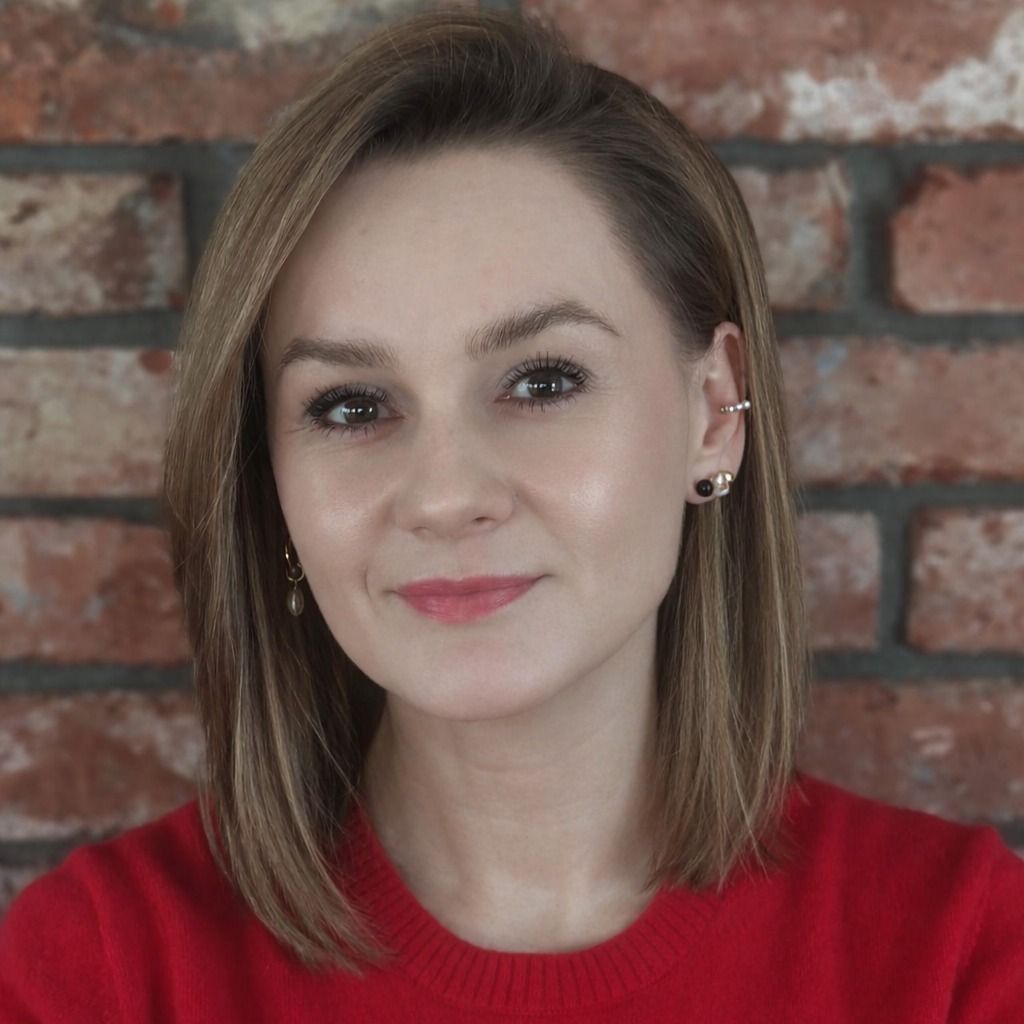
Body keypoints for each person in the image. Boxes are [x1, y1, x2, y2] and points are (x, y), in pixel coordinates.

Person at [1, 7, 1022, 1021]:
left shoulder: (959, 951)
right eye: (351, 406)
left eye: (542, 382)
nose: (447, 496)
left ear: (714, 413)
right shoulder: (97, 975)